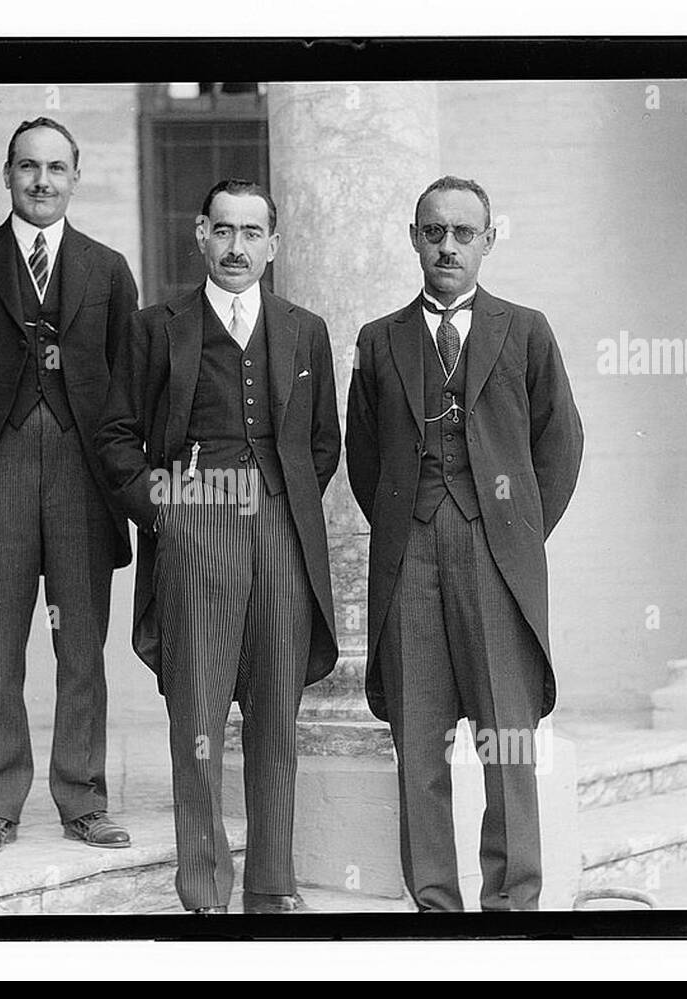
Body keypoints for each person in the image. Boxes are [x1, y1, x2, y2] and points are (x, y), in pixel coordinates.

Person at [96, 179, 340, 913]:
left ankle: (272, 886)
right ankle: (204, 889)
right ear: (200, 234)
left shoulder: (305, 329)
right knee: (197, 715)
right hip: (194, 521)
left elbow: (322, 442)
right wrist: (166, 512)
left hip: (280, 530)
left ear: (274, 243)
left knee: (276, 715)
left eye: (253, 232)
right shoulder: (155, 327)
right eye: (224, 231)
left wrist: (283, 501)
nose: (238, 247)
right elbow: (114, 438)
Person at [345, 176, 584, 911]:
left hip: (495, 558)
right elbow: (363, 457)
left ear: (488, 239)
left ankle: (512, 906)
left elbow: (561, 443)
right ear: (415, 237)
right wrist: (406, 524)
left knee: (506, 743)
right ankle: (435, 908)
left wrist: (511, 536)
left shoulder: (526, 328)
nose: (448, 245)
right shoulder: (378, 339)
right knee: (419, 744)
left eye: (463, 232)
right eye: (434, 231)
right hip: (410, 554)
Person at [0, 117, 138, 859]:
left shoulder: (107, 269)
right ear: (8, 174)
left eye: (56, 167)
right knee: (0, 647)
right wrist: (4, 430)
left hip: (85, 477)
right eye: (28, 167)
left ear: (76, 176)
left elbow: (125, 377)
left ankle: (83, 799)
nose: (42, 180)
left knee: (81, 645)